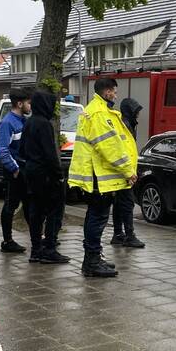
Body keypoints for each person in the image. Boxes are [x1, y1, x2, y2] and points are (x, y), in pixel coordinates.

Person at [68, 77, 138, 278]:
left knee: (95, 216)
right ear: (107, 91)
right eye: (114, 91)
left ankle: (93, 258)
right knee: (97, 218)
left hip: (97, 174)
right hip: (98, 175)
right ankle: (92, 261)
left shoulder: (98, 110)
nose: (115, 95)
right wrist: (127, 170)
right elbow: (109, 146)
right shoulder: (99, 113)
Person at [21, 89, 71, 264]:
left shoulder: (29, 122)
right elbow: (50, 154)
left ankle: (36, 250)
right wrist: (59, 175)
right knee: (54, 211)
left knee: (36, 212)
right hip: (46, 175)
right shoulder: (44, 124)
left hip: (31, 172)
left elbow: (22, 149)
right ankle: (50, 248)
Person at [0, 88, 32, 253]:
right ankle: (7, 241)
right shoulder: (7, 123)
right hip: (15, 170)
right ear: (19, 104)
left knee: (29, 204)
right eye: (28, 103)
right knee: (11, 205)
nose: (30, 106)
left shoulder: (24, 120)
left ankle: (37, 236)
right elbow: (3, 150)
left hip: (23, 169)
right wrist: (15, 169)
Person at [111, 97, 144, 249]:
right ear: (130, 111)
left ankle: (118, 234)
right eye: (136, 111)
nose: (138, 114)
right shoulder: (126, 125)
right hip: (125, 172)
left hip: (124, 171)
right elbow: (123, 151)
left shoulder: (127, 123)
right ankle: (129, 236)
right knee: (127, 203)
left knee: (119, 203)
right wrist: (129, 172)